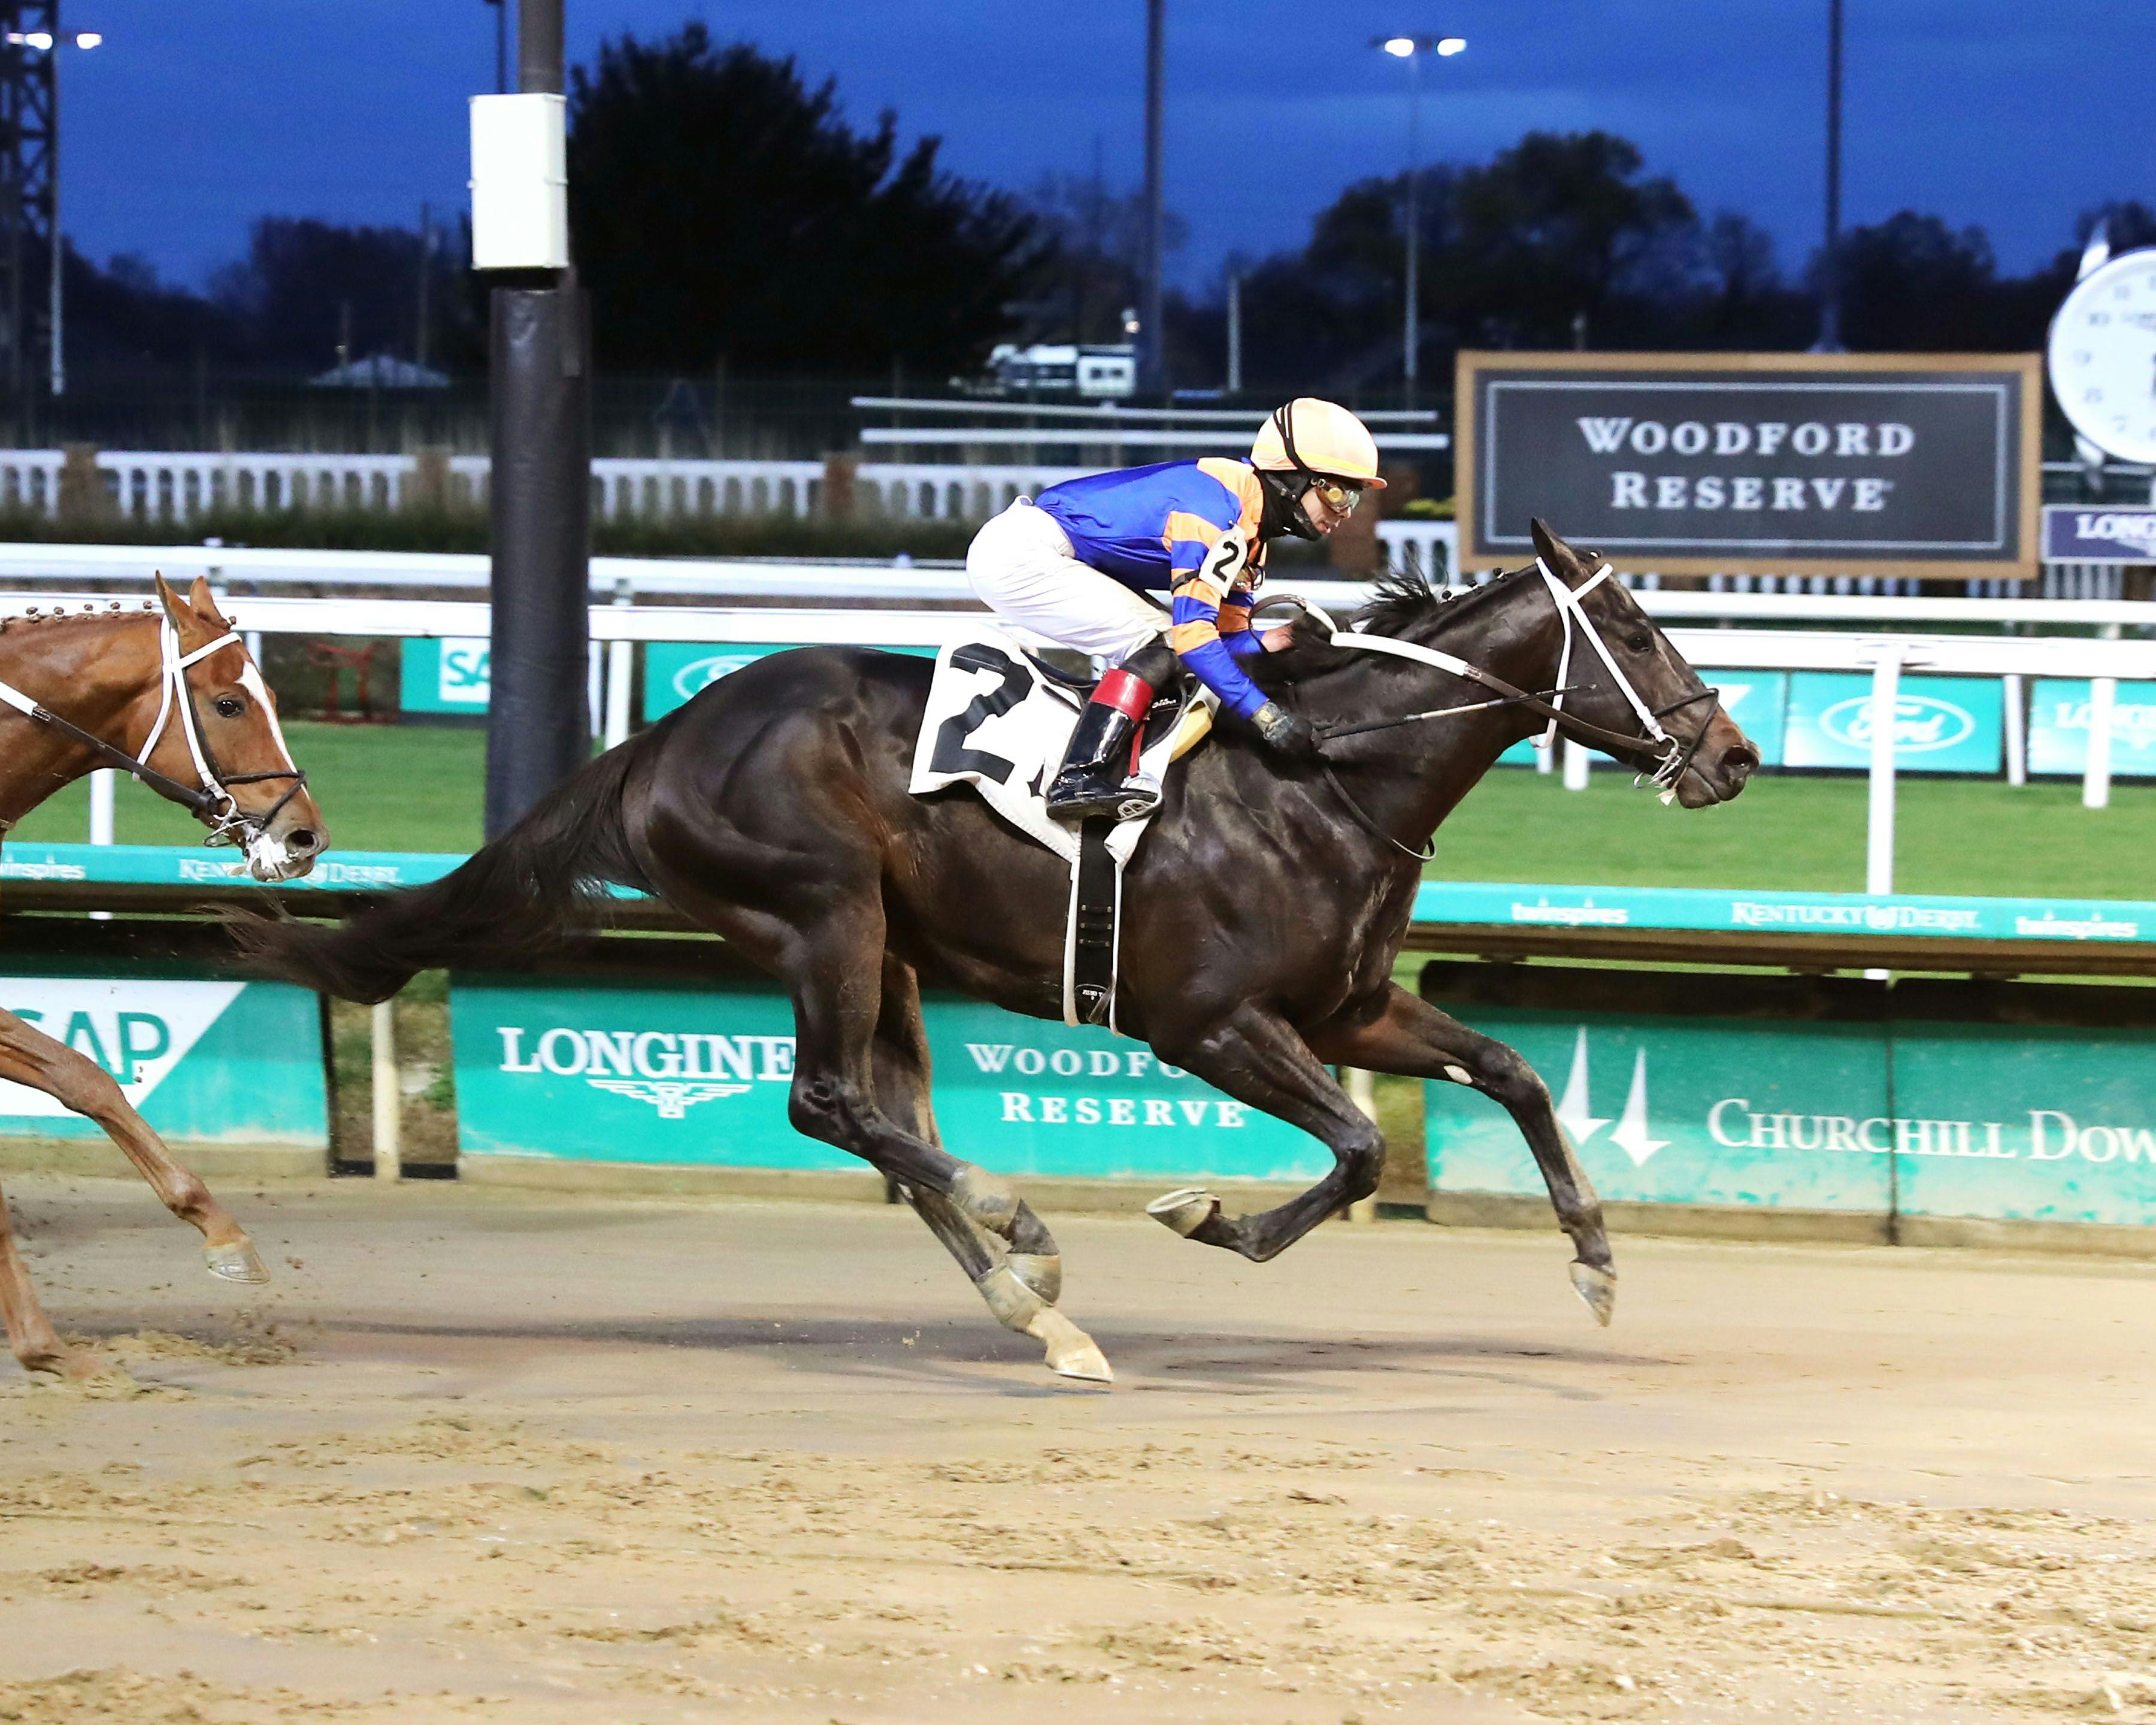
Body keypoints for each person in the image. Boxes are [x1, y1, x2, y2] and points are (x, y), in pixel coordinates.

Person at [964, 398, 1385, 821]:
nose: (1345, 513)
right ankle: (1078, 776)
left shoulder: (1251, 532)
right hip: (1022, 554)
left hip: (1052, 552)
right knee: (1163, 644)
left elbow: (1230, 641)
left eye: (1354, 499)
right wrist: (1266, 715)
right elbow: (1193, 640)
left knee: (1168, 643)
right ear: (1291, 478)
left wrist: (1289, 640)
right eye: (1336, 491)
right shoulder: (1213, 514)